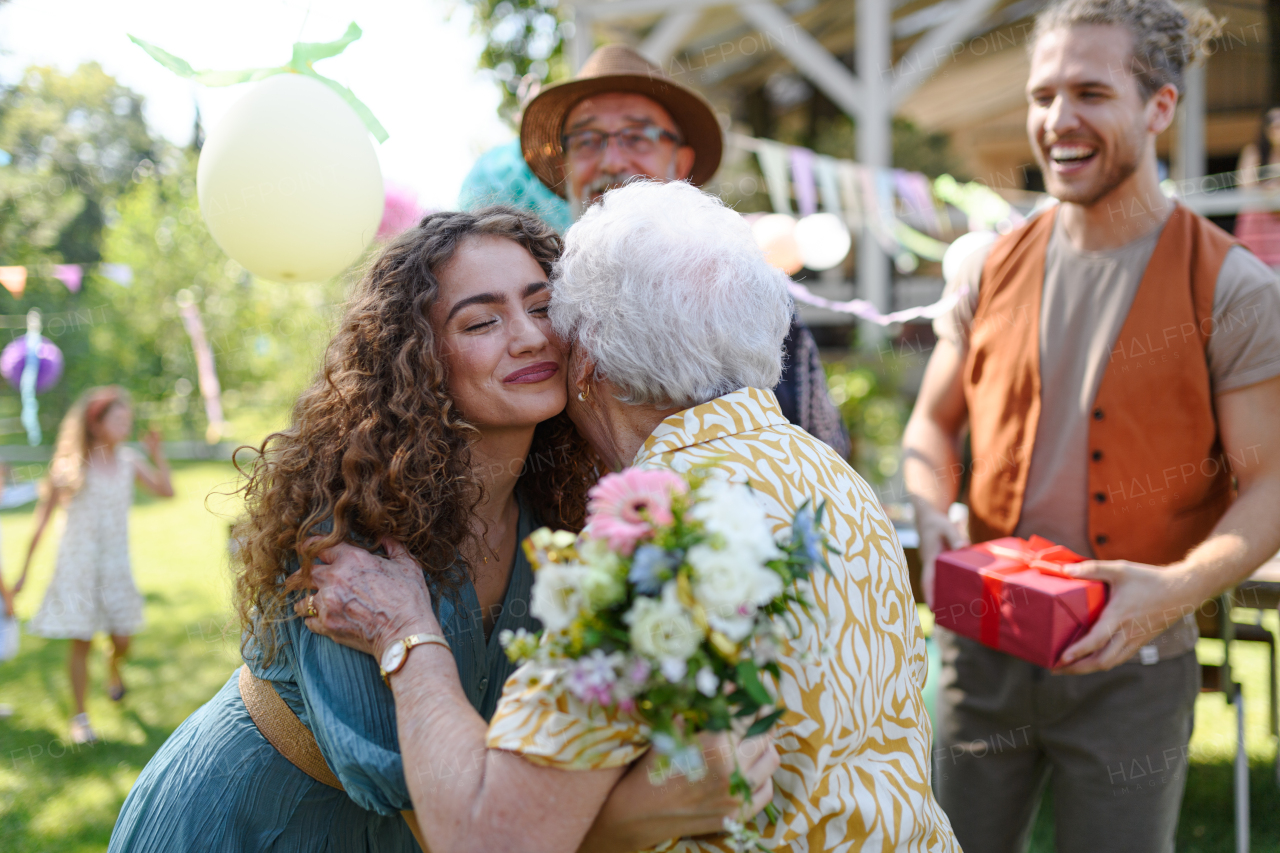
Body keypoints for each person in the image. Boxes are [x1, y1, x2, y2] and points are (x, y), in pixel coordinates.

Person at [299, 180, 960, 853]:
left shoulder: (653, 545)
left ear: (586, 363)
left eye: (550, 314)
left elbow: (488, 840)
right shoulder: (828, 476)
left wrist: (408, 636)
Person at [109, 207, 779, 853]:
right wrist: (642, 817)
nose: (530, 336)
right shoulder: (351, 538)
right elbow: (463, 835)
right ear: (419, 358)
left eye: (542, 306)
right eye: (483, 320)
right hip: (247, 821)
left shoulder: (562, 519)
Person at [901, 2, 1280, 851]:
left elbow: (1272, 485)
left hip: (1134, 663)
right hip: (981, 645)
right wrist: (930, 512)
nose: (1057, 122)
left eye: (1090, 93)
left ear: (1160, 107)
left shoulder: (1235, 289)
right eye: (1042, 95)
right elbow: (930, 428)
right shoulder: (991, 265)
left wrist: (1171, 594)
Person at [520, 44, 850, 456]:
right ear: (565, 167)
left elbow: (819, 447)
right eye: (587, 140)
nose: (610, 160)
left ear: (682, 163)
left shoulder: (744, 291)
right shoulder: (531, 296)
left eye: (637, 136)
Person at [17, 386, 173, 744]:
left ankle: (114, 666)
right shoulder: (70, 468)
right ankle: (80, 716)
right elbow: (41, 521)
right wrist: (24, 571)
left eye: (127, 419)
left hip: (116, 566)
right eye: (117, 419)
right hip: (79, 567)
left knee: (123, 639)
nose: (125, 425)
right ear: (95, 422)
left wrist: (157, 455)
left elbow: (166, 492)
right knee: (81, 640)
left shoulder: (130, 460)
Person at [1234, 105, 1280, 266]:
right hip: (1258, 223)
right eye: (1273, 124)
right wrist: (1268, 191)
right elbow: (1245, 187)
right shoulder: (1254, 152)